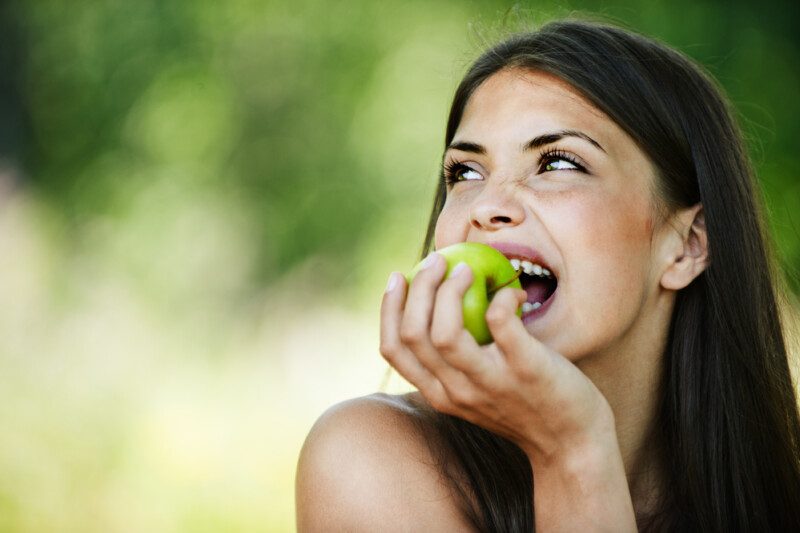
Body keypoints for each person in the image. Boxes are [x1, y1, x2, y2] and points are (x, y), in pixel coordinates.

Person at [295, 18, 800, 532]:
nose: (488, 205)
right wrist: (570, 449)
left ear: (688, 245)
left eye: (558, 163)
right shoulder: (370, 461)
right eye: (465, 173)